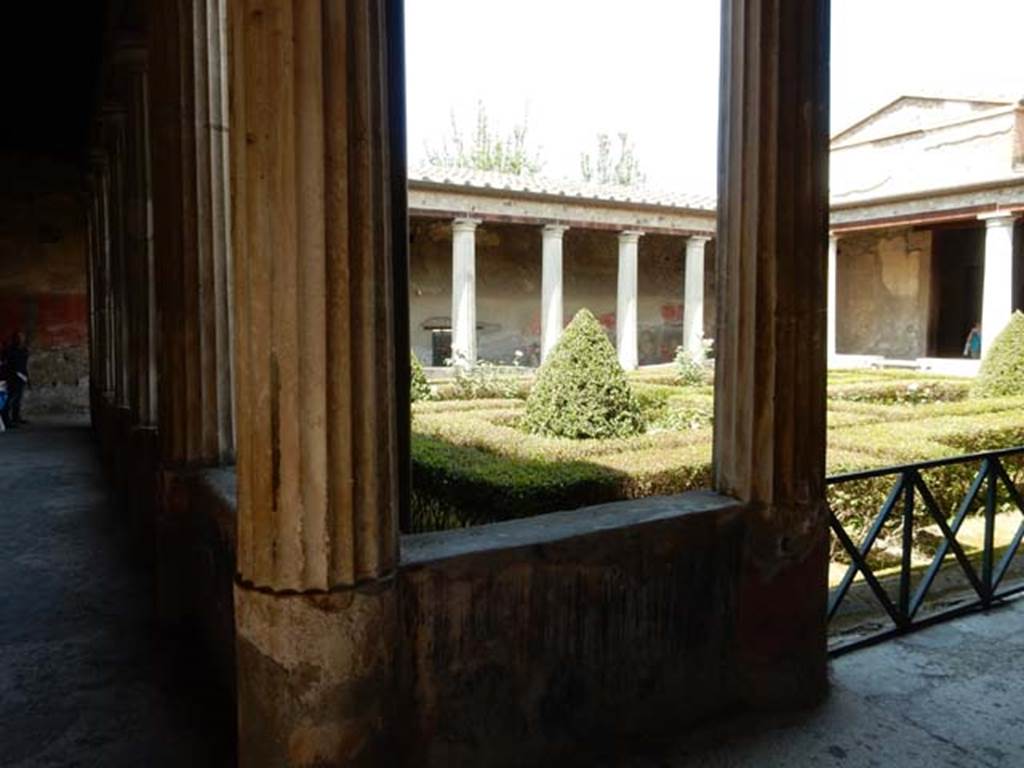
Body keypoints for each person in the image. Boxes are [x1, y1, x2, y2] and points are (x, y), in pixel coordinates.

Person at [2, 331, 30, 427]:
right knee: (10, 399)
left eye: (22, 337)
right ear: (14, 339)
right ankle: (6, 420)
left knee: (18, 399)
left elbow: (24, 365)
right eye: (18, 338)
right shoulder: (9, 350)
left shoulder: (24, 350)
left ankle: (16, 417)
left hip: (21, 377)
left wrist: (26, 376)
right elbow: (6, 364)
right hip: (12, 377)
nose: (20, 339)